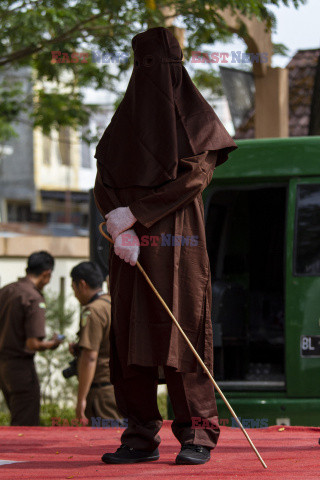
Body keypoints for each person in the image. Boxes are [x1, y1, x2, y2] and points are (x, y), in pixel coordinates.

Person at [93, 26, 237, 465]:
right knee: (127, 338)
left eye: (163, 65)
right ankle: (139, 435)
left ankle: (197, 434)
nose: (154, 75)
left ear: (177, 66)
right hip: (129, 251)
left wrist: (136, 215)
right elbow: (104, 179)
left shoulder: (196, 119)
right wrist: (119, 228)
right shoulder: (123, 124)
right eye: (146, 66)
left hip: (179, 245)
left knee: (184, 334)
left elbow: (195, 176)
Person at [0, 251, 62, 426]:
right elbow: (32, 343)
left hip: (4, 368)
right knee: (25, 425)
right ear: (46, 273)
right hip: (21, 369)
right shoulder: (33, 298)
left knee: (16, 419)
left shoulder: (6, 290)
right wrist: (53, 344)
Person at [70, 262, 121, 426]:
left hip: (102, 394)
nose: (75, 294)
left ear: (82, 284)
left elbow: (90, 358)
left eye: (74, 288)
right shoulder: (113, 303)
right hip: (120, 389)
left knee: (103, 445)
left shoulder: (92, 311)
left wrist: (81, 400)